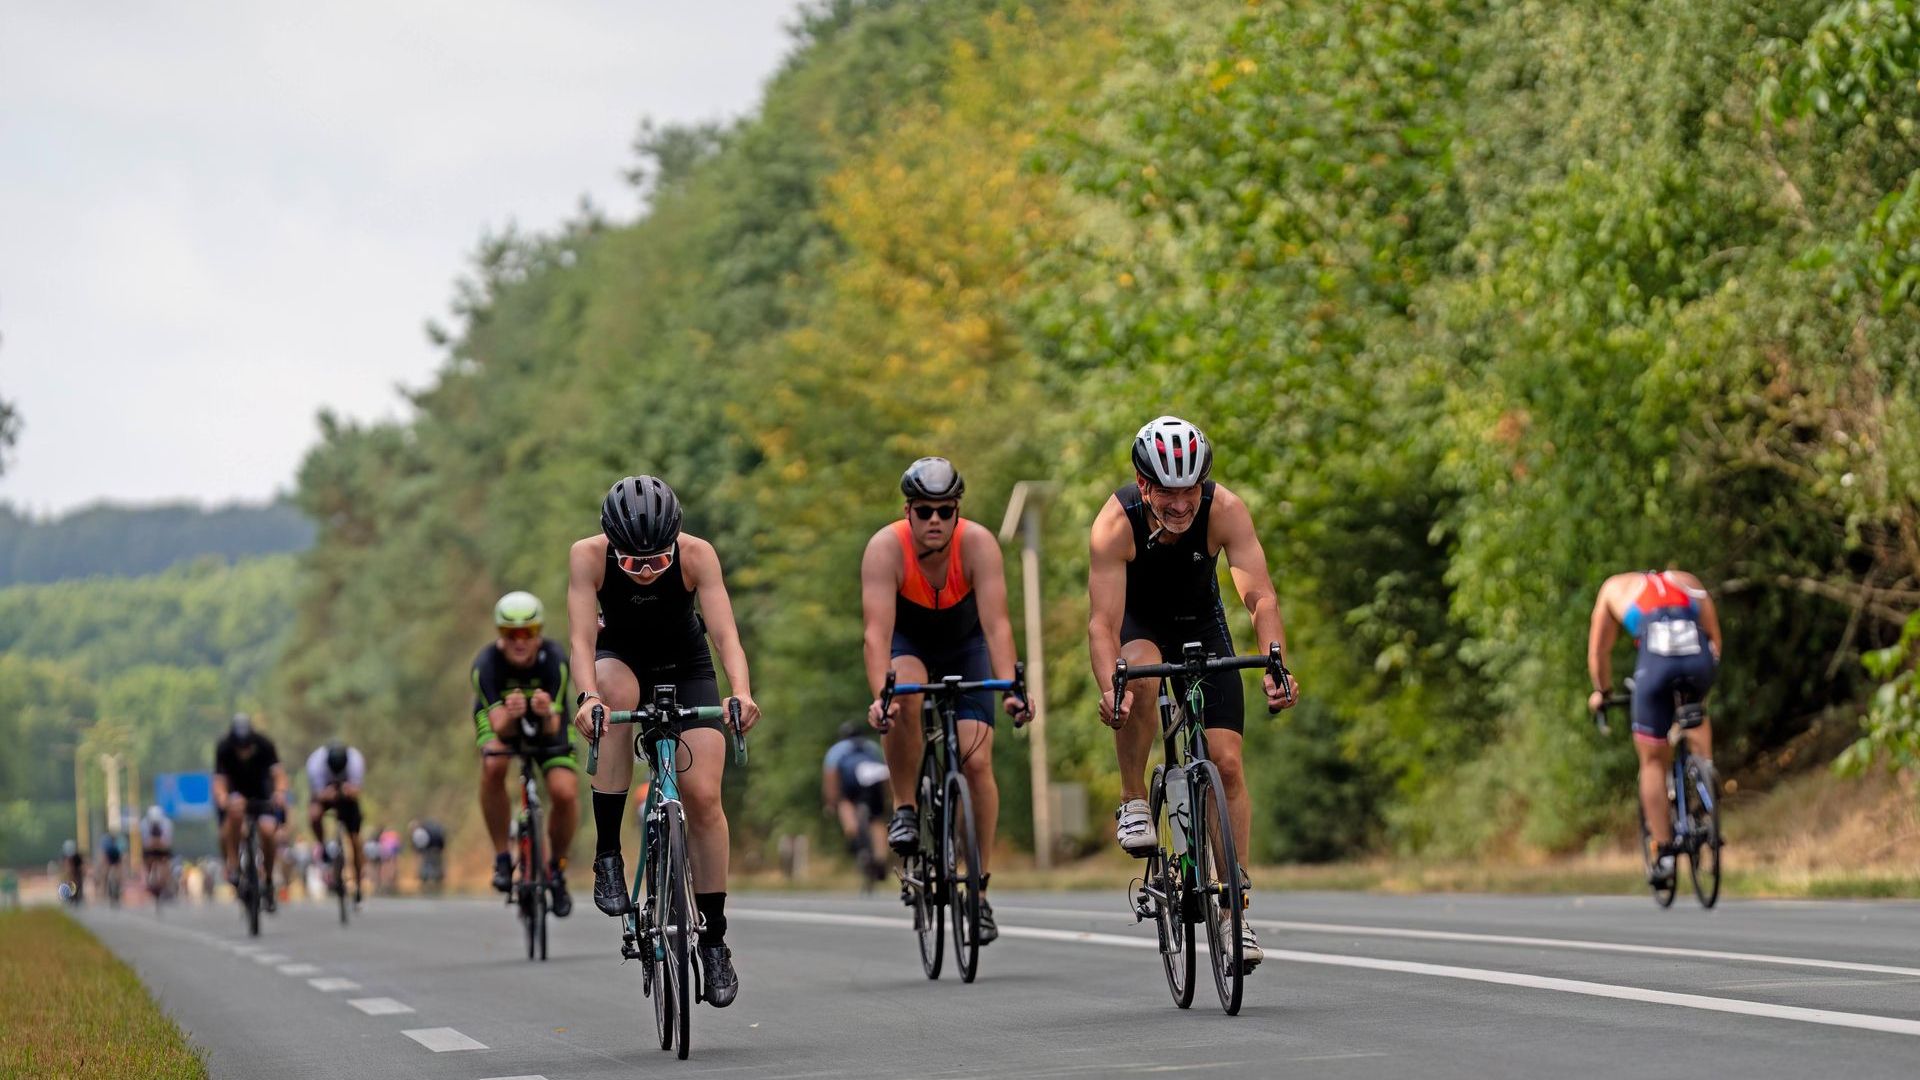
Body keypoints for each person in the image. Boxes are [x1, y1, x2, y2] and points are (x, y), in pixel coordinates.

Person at [1089, 416, 1299, 969]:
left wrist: (1275, 663)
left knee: (1227, 763)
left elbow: (1260, 597)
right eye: (1168, 491)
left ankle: (1234, 915)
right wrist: (1108, 682)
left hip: (1202, 625)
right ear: (1144, 485)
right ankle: (1135, 798)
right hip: (1141, 629)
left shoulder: (1225, 508)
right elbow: (1102, 625)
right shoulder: (1116, 523)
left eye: (1190, 489)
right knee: (1139, 671)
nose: (1181, 504)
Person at [569, 475, 761, 1008]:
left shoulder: (697, 556)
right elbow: (582, 640)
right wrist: (587, 699)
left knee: (702, 798)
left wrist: (741, 694)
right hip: (618, 662)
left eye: (658, 558)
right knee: (614, 696)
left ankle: (715, 939)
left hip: (686, 664)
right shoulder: (587, 557)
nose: (648, 571)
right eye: (633, 562)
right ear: (611, 546)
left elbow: (726, 635)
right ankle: (609, 854)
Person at [860, 457, 1029, 944]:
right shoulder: (884, 549)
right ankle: (907, 807)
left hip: (965, 644)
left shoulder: (977, 545)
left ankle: (977, 891)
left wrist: (1012, 689)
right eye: (924, 511)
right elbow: (877, 635)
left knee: (977, 762)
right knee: (904, 700)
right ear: (907, 511)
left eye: (945, 511)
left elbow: (997, 625)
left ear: (957, 512)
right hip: (907, 643)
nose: (935, 520)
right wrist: (881, 697)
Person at [1587, 568, 1723, 885]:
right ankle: (1705, 777)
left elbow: (1599, 652)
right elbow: (1714, 638)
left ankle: (1663, 852)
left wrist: (1602, 692)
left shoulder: (1613, 588)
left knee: (1651, 761)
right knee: (1695, 714)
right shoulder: (1687, 580)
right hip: (1698, 662)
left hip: (1655, 667)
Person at [472, 590, 578, 916]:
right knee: (493, 765)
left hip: (547, 724)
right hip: (502, 722)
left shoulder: (555, 660)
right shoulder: (486, 664)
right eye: (510, 634)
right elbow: (499, 726)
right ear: (499, 635)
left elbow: (553, 726)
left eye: (528, 633)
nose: (520, 641)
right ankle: (503, 857)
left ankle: (556, 869)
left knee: (564, 791)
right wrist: (513, 713)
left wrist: (544, 713)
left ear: (539, 633)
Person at [213, 713, 289, 912]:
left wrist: (280, 793)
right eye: (240, 747)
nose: (243, 752)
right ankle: (234, 866)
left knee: (267, 830)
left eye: (246, 747)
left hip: (261, 793)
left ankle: (269, 878)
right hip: (235, 794)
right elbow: (219, 782)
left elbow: (279, 775)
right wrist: (223, 799)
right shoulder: (224, 748)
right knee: (230, 823)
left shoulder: (264, 745)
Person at [822, 721, 892, 883]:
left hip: (850, 783)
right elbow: (886, 771)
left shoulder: (836, 750)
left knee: (844, 802)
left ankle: (853, 835)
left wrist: (831, 803)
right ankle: (880, 859)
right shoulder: (871, 747)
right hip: (873, 781)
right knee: (876, 820)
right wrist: (888, 797)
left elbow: (831, 776)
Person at [306, 739, 367, 905]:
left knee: (355, 840)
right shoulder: (316, 762)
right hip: (324, 794)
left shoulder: (355, 760)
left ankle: (358, 884)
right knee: (314, 815)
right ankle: (323, 846)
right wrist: (327, 794)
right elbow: (316, 794)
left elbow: (357, 790)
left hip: (347, 798)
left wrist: (348, 791)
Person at [141, 806, 174, 900]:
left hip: (162, 849)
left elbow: (167, 843)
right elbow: (146, 843)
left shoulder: (167, 824)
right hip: (150, 848)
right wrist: (156, 842)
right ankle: (148, 877)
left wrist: (156, 842)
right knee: (146, 860)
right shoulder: (144, 824)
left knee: (166, 863)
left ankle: (165, 882)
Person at [410, 818, 447, 891]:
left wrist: (419, 851)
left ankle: (426, 881)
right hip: (437, 849)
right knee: (437, 865)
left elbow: (419, 844)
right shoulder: (433, 831)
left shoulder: (419, 832)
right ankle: (437, 881)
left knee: (427, 865)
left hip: (427, 850)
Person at [61, 840, 84, 904]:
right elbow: (65, 868)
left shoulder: (77, 857)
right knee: (66, 877)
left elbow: (82, 868)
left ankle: (78, 895)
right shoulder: (64, 857)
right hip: (69, 874)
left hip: (77, 872)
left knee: (78, 879)